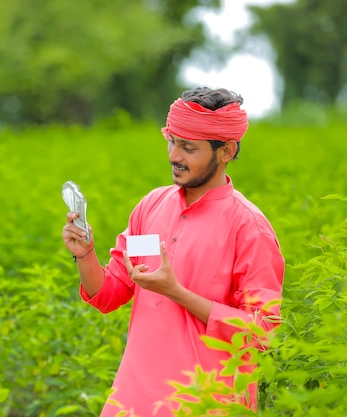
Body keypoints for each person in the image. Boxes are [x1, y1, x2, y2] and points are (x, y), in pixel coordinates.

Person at [62, 87, 285, 417]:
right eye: (172, 142)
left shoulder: (249, 227)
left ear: (226, 151)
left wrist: (177, 292)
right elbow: (108, 294)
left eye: (188, 148)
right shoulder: (151, 206)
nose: (174, 156)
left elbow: (263, 333)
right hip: (132, 401)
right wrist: (85, 254)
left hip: (207, 403)